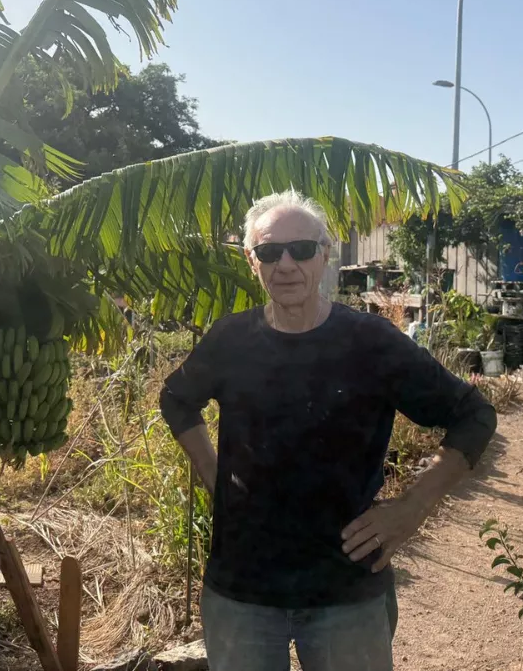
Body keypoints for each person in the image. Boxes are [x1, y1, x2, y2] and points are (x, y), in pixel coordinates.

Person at [160, 190, 497, 671]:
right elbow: (176, 398)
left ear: (324, 254)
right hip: (243, 588)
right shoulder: (230, 339)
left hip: (347, 588)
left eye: (301, 249)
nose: (286, 264)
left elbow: (475, 416)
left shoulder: (370, 342)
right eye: (270, 252)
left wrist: (411, 509)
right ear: (252, 262)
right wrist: (212, 472)